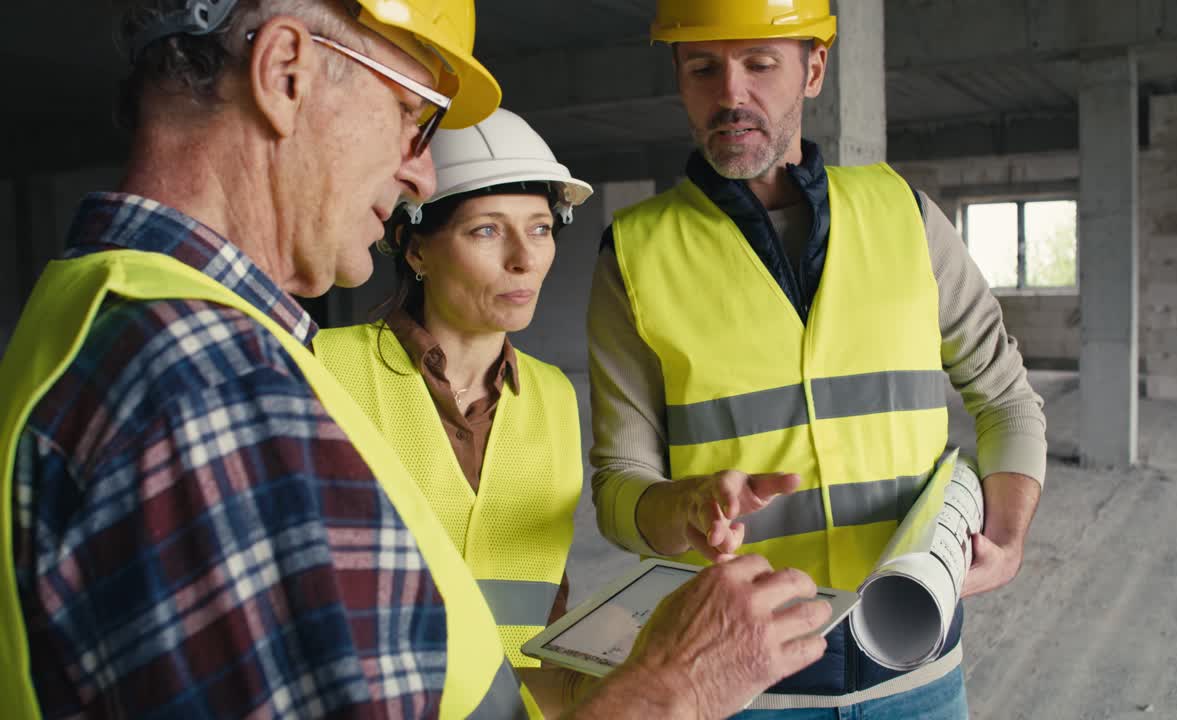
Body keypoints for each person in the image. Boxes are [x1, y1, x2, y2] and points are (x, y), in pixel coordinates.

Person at [0, 1, 832, 718]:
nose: (421, 170)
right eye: (413, 113)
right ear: (285, 72)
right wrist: (674, 687)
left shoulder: (103, 310)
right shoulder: (221, 389)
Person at [587, 0, 1047, 717]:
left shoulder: (906, 217)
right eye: (702, 67)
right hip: (742, 685)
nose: (731, 93)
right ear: (678, 76)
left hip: (918, 670)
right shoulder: (635, 254)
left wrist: (1009, 539)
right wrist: (682, 506)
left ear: (815, 70)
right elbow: (619, 489)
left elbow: (1006, 397)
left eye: (760, 63)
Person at [314, 107, 594, 715]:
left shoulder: (554, 396)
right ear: (416, 250)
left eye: (541, 228)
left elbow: (543, 605)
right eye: (487, 231)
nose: (524, 258)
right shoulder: (322, 369)